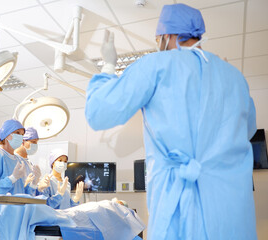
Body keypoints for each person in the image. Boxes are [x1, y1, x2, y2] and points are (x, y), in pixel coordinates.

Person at [85, 3, 257, 240]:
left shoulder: (155, 66)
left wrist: (108, 66)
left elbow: (100, 113)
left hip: (177, 200)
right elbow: (246, 130)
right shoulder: (235, 78)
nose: (159, 45)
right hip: (228, 204)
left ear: (166, 36)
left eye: (158, 39)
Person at [14, 127, 51, 193]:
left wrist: (39, 187)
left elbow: (31, 192)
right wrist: (25, 185)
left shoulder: (29, 164)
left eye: (36, 142)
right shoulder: (14, 160)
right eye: (33, 142)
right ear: (22, 141)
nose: (35, 145)